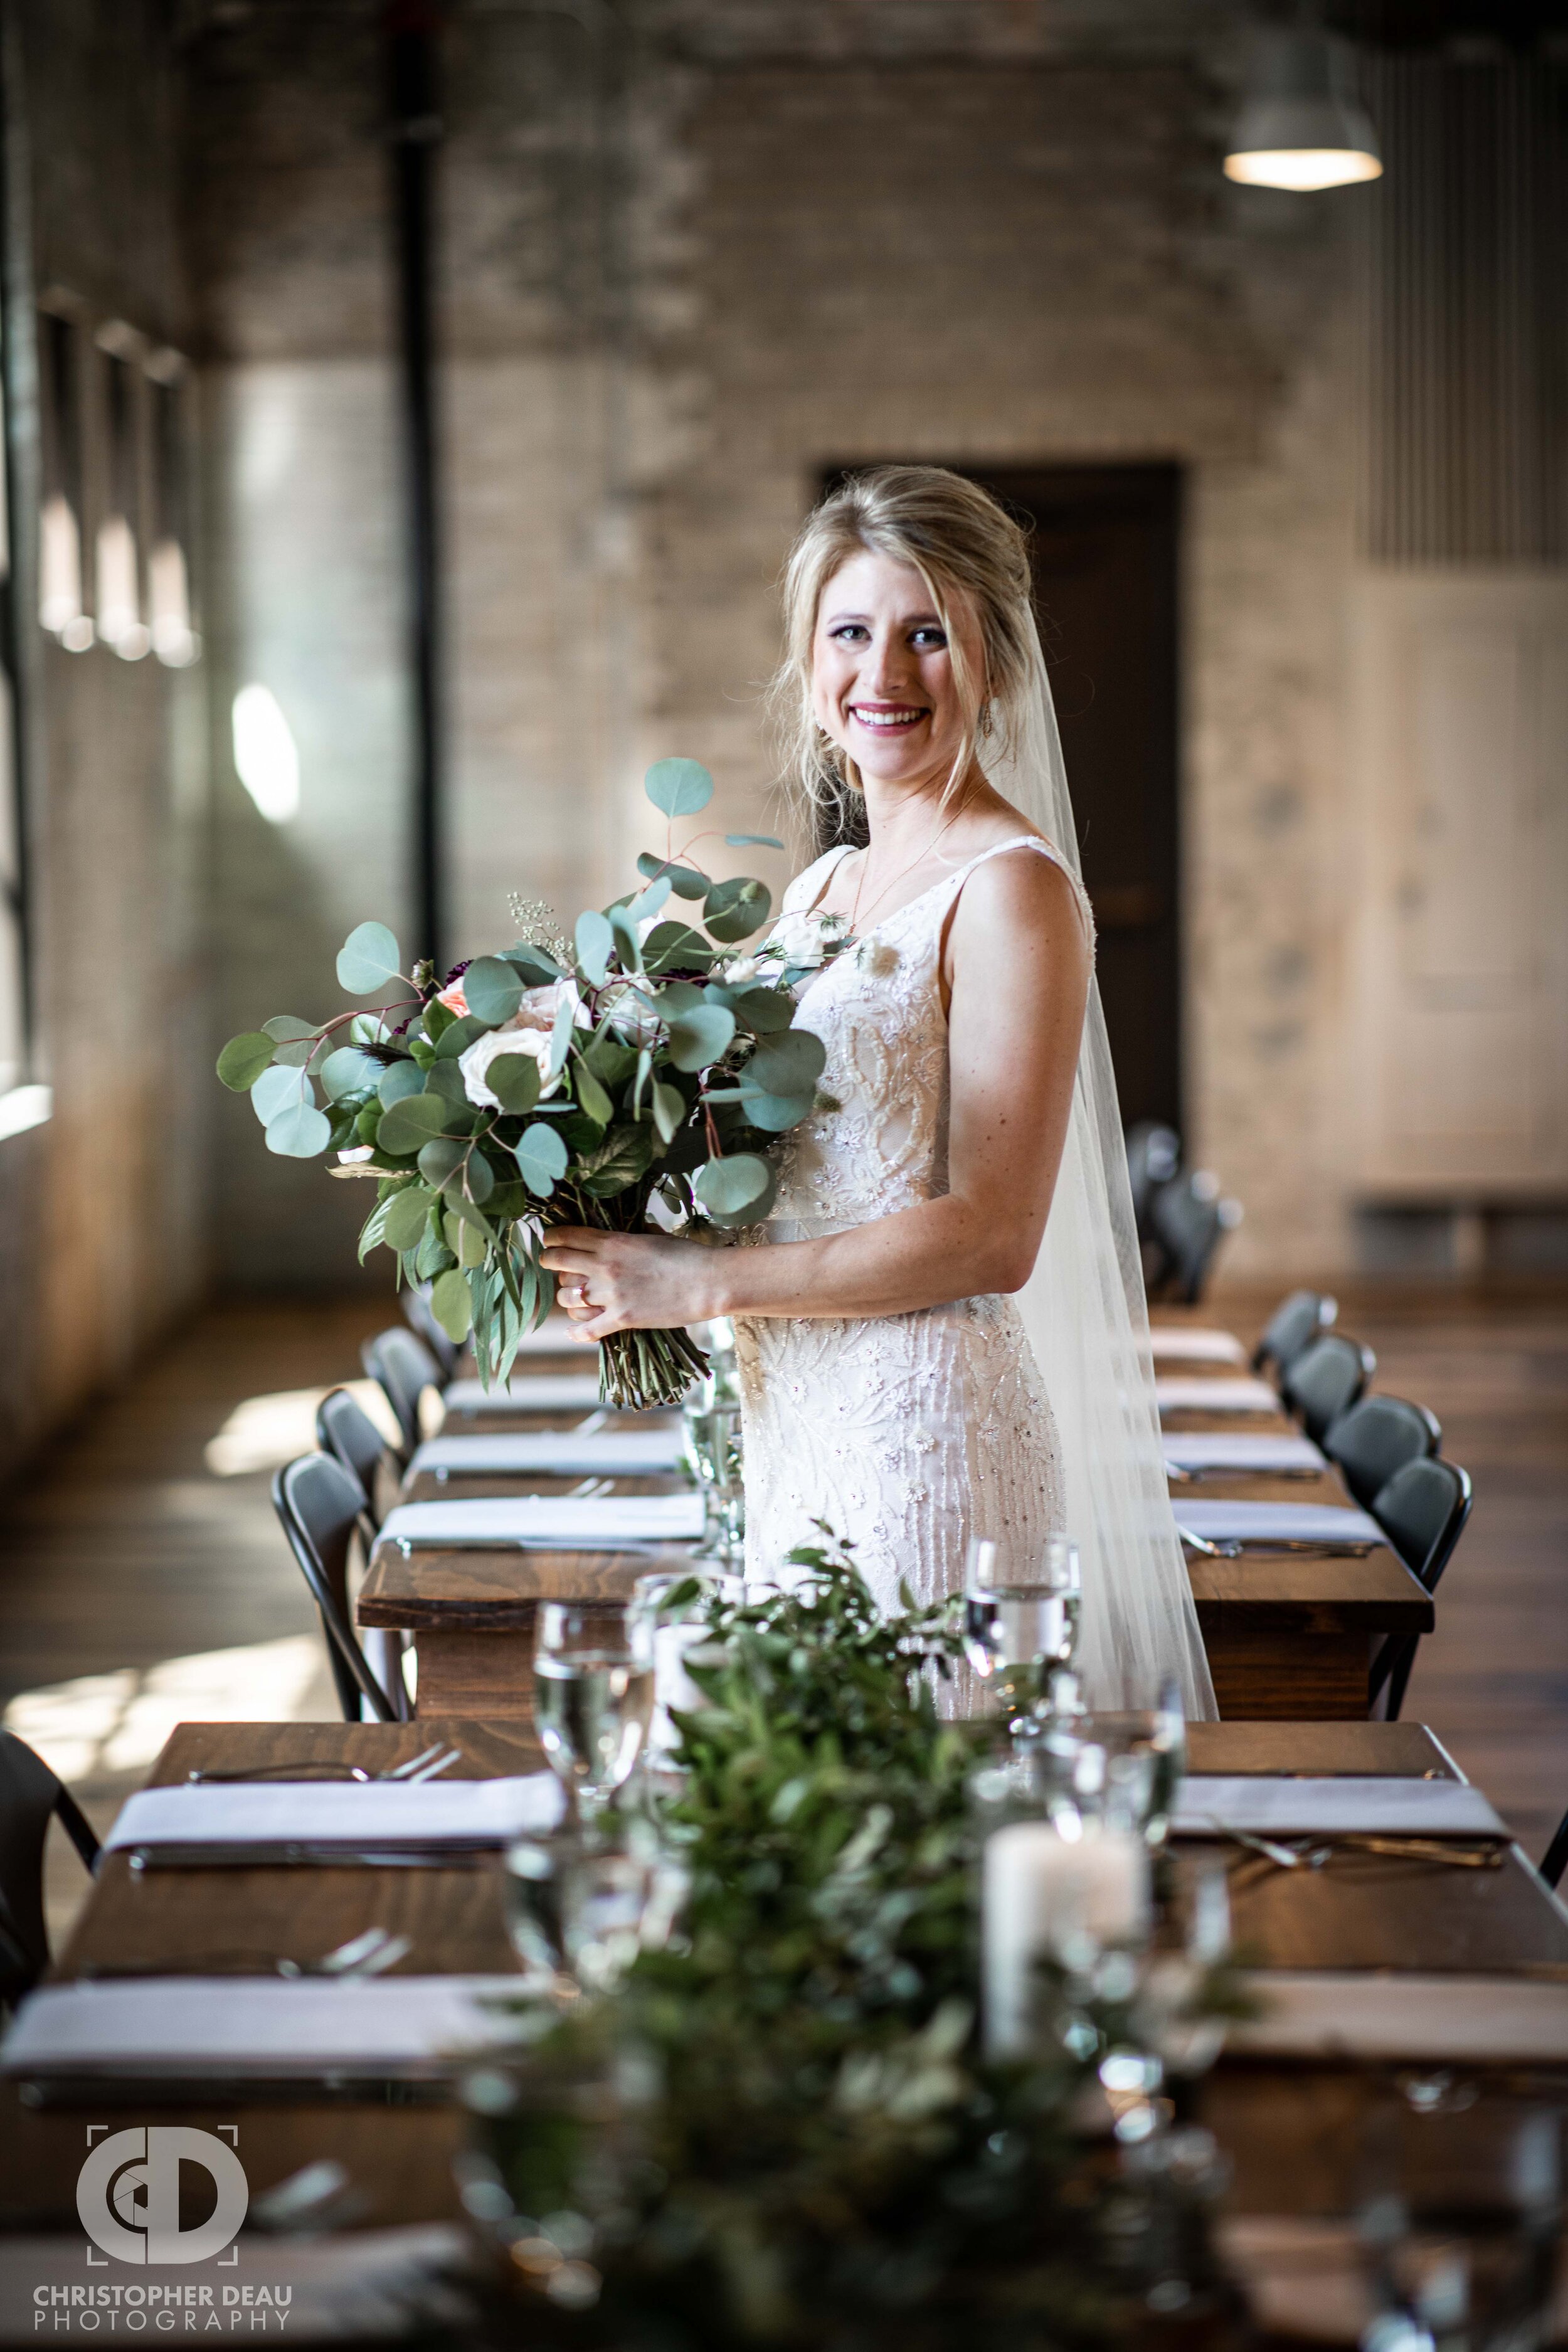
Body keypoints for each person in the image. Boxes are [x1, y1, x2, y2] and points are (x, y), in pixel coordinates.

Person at [541, 466, 1215, 1715]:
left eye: (929, 636)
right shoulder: (817, 894)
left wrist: (698, 1283)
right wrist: (609, 1176)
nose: (884, 676)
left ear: (995, 663)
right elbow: (783, 1162)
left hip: (922, 1431)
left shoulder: (1009, 889)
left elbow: (993, 1234)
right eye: (850, 633)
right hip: (788, 1409)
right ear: (809, 663)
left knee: (914, 1826)